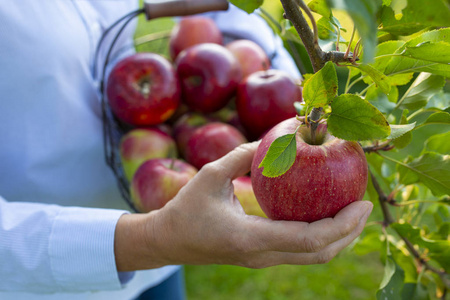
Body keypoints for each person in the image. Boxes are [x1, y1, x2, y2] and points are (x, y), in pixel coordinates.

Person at [0, 1, 373, 300]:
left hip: (167, 250)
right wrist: (152, 239)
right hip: (42, 279)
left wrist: (261, 63)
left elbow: (222, 12)